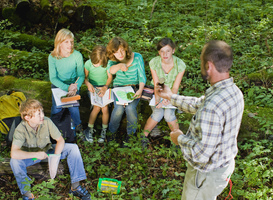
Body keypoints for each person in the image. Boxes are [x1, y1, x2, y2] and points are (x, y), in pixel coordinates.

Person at [156, 40, 244, 200]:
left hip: (204, 176)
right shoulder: (233, 92)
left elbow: (201, 154)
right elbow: (200, 104)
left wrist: (179, 138)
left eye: (202, 62)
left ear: (209, 65)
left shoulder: (213, 106)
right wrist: (170, 96)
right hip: (223, 167)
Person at [9, 99, 91, 200]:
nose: (42, 115)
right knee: (14, 162)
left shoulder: (46, 121)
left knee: (73, 148)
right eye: (38, 114)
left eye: (42, 111)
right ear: (27, 117)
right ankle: (27, 194)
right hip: (31, 156)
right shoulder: (20, 130)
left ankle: (75, 187)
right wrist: (35, 155)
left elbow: (60, 140)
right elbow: (14, 153)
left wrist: (56, 157)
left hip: (48, 151)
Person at [142, 38, 186, 146]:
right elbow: (157, 84)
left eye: (168, 51)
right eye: (162, 51)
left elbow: (175, 87)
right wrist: (158, 99)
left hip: (172, 92)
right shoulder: (154, 62)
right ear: (158, 52)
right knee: (157, 113)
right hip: (158, 91)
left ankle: (178, 142)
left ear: (173, 51)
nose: (165, 54)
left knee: (169, 115)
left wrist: (169, 98)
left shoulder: (180, 65)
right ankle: (143, 137)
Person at [106, 37, 146, 144]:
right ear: (112, 53)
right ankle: (112, 133)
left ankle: (130, 136)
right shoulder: (113, 61)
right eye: (117, 52)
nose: (120, 54)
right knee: (118, 108)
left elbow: (142, 77)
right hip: (119, 88)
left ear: (126, 48)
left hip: (134, 87)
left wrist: (140, 90)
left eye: (122, 50)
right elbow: (111, 71)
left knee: (130, 108)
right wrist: (119, 65)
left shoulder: (137, 57)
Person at [48, 28, 85, 134]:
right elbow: (53, 78)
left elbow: (81, 75)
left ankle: (78, 128)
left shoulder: (77, 55)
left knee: (74, 109)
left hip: (73, 85)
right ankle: (53, 129)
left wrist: (75, 86)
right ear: (59, 43)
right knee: (57, 108)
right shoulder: (52, 57)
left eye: (71, 42)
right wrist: (66, 87)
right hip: (58, 85)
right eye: (66, 42)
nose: (70, 45)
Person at [84, 45, 112, 143]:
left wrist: (105, 87)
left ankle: (104, 130)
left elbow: (109, 78)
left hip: (104, 87)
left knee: (105, 108)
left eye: (99, 64)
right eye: (95, 63)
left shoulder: (107, 64)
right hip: (93, 87)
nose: (96, 65)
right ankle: (89, 129)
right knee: (96, 107)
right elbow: (85, 77)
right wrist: (88, 84)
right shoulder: (88, 64)